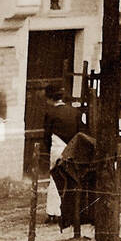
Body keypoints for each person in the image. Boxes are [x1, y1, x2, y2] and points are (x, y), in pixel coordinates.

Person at [43, 83, 81, 223]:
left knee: (55, 179)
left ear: (49, 98)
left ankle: (53, 212)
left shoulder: (50, 114)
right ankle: (68, 213)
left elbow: (46, 137)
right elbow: (79, 133)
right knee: (70, 180)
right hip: (71, 149)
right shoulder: (74, 112)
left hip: (57, 148)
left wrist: (48, 151)